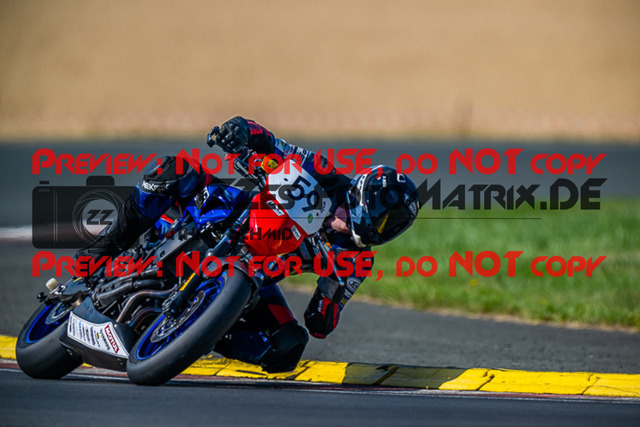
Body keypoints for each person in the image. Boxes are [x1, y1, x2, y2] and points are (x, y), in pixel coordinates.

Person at [77, 116, 420, 372]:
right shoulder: (323, 172)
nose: (381, 227)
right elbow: (272, 143)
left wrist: (331, 295)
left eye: (392, 226)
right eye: (382, 216)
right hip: (228, 215)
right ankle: (100, 252)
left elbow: (319, 324)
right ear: (363, 193)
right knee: (175, 169)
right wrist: (240, 131)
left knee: (287, 346)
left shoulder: (355, 260)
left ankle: (196, 336)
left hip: (254, 277)